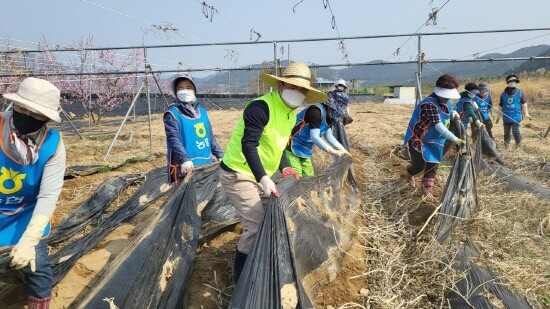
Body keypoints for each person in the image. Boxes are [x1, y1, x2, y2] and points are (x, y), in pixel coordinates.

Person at [219, 62, 328, 283]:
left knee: (278, 214)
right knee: (256, 224)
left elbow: (278, 147)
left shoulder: (290, 114)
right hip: (238, 173)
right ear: (280, 84)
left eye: (302, 89)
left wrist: (285, 166)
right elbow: (248, 144)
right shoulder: (260, 108)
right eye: (292, 87)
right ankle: (240, 280)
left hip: (260, 174)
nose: (297, 93)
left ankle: (265, 261)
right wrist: (264, 178)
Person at [0, 77, 66, 308]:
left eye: (35, 113)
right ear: (13, 105)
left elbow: (47, 196)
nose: (26, 116)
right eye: (21, 109)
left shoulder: (53, 145)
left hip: (27, 213)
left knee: (37, 268)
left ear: (47, 118)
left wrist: (29, 239)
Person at [403, 74, 465, 197]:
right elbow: (439, 126)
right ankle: (410, 172)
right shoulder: (429, 104)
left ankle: (426, 194)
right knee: (419, 166)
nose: (447, 99)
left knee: (433, 166)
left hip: (435, 140)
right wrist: (455, 139)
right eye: (445, 96)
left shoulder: (446, 102)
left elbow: (447, 112)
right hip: (419, 139)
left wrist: (454, 113)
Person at [163, 74, 223, 183]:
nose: (185, 91)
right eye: (180, 88)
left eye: (189, 88)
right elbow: (173, 139)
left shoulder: (202, 112)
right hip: (186, 167)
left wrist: (220, 155)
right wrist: (184, 159)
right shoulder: (172, 113)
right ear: (175, 92)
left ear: (194, 90)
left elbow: (210, 136)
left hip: (206, 164)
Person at [285, 101, 351, 177]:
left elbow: (328, 136)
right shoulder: (316, 112)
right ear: (333, 108)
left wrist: (342, 149)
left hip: (305, 149)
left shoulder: (329, 117)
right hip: (292, 144)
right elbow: (314, 137)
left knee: (309, 176)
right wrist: (333, 151)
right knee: (296, 176)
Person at [495, 74, 531, 149]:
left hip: (516, 115)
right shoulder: (503, 94)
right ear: (507, 82)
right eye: (511, 81)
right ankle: (506, 145)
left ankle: (518, 143)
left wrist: (526, 113)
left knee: (515, 130)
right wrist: (498, 116)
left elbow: (524, 104)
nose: (513, 82)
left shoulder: (520, 92)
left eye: (515, 81)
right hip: (506, 116)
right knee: (506, 132)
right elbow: (500, 105)